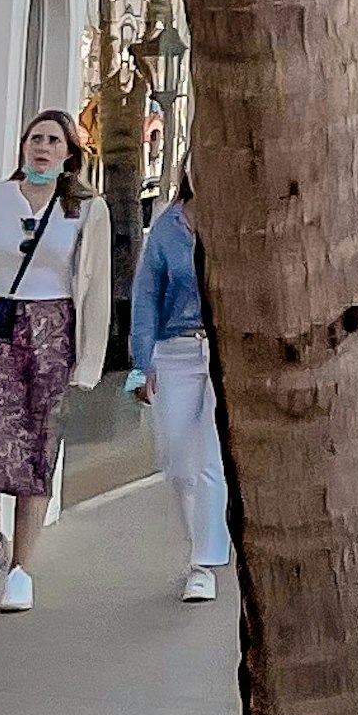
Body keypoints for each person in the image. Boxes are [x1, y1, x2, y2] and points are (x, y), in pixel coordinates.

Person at [0, 108, 108, 614]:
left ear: (69, 154)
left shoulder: (87, 209)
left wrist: (89, 361)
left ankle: (21, 569)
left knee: (36, 451)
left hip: (52, 331)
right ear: (24, 146)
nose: (43, 147)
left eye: (53, 140)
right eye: (36, 138)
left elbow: (96, 288)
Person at [128, 173, 232, 603]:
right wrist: (141, 363)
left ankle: (203, 564)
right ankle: (199, 541)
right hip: (175, 350)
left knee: (210, 460)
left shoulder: (235, 220)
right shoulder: (167, 228)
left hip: (225, 351)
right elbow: (146, 297)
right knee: (177, 460)